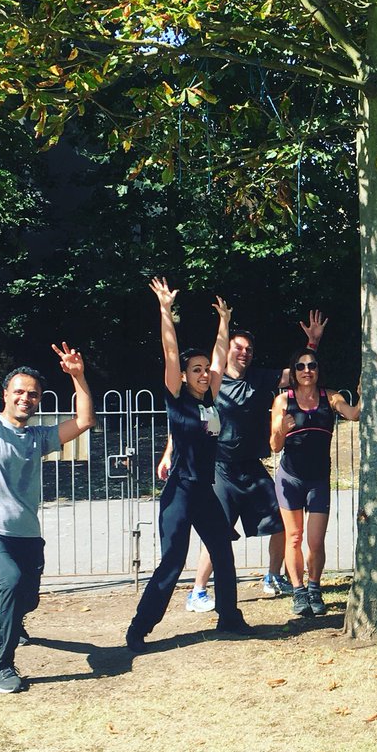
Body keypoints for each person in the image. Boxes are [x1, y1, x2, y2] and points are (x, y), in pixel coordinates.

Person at [0, 289, 97, 694]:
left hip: (27, 533)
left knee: (26, 599)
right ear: (5, 395)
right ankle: (3, 666)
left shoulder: (38, 437)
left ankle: (17, 621)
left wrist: (77, 375)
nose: (26, 398)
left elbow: (83, 420)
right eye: (19, 392)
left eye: (33, 394)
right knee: (8, 582)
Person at [158, 311, 327, 612]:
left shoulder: (260, 378)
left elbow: (299, 373)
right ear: (227, 352)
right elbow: (190, 422)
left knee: (282, 521)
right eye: (238, 347)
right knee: (218, 529)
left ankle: (273, 577)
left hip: (251, 464)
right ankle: (197, 591)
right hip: (220, 468)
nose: (244, 353)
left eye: (249, 349)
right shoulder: (211, 382)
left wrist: (312, 343)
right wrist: (170, 452)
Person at [126, 279, 254, 653]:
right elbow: (171, 353)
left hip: (205, 491)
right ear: (183, 376)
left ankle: (229, 616)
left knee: (222, 552)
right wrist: (165, 310)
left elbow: (218, 356)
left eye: (204, 370)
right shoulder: (178, 398)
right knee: (173, 560)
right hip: (179, 490)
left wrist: (224, 322)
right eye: (194, 370)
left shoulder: (210, 396)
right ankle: (139, 627)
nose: (202, 374)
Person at [269, 349, 360, 618]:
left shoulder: (330, 397)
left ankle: (314, 587)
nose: (306, 370)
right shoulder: (282, 401)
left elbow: (353, 414)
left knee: (316, 540)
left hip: (318, 480)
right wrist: (281, 429)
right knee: (294, 537)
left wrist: (364, 390)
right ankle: (298, 592)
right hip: (290, 478)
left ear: (318, 369)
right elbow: (274, 446)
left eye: (312, 365)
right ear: (293, 371)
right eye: (300, 366)